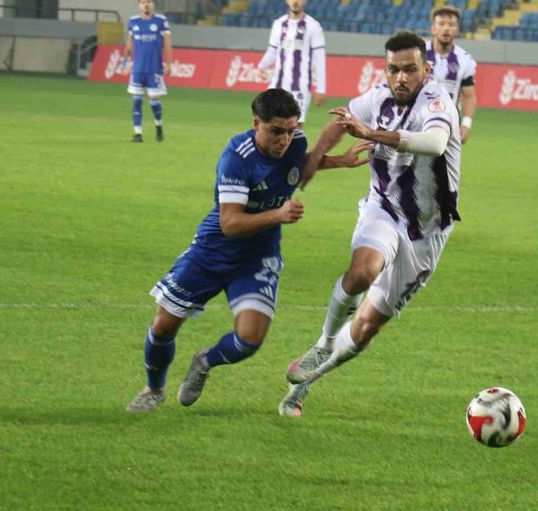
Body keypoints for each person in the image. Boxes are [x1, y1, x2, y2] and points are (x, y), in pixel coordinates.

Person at [126, 89, 370, 412]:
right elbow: (230, 223)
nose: (285, 139)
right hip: (213, 251)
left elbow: (295, 168)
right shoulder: (237, 157)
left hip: (258, 255)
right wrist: (278, 215)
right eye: (276, 131)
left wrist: (341, 161)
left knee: (249, 340)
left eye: (291, 130)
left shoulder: (295, 143)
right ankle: (154, 389)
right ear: (257, 123)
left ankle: (204, 361)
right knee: (164, 326)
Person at [278, 31, 462, 418]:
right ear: (385, 69)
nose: (401, 78)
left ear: (426, 70)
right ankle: (323, 344)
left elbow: (434, 143)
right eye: (393, 70)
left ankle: (306, 383)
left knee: (365, 329)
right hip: (383, 209)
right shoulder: (376, 97)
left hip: (427, 232)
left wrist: (371, 134)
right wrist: (316, 156)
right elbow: (342, 122)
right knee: (363, 271)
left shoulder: (438, 101)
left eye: (410, 70)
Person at [257, 0, 326, 125]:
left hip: (300, 86)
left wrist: (321, 88)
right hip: (277, 84)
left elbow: (320, 59)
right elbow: (273, 50)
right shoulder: (279, 24)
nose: (295, 2)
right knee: (268, 123)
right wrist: (262, 65)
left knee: (295, 126)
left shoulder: (313, 26)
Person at [426, 5, 478, 144]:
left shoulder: (465, 60)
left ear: (457, 30)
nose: (446, 28)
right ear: (433, 29)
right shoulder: (418, 54)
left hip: (450, 125)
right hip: (418, 121)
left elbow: (469, 96)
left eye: (451, 24)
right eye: (441, 23)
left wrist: (466, 125)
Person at [124, 0, 172, 143]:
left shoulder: (161, 21)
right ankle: (138, 134)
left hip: (154, 68)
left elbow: (168, 42)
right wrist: (126, 62)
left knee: (154, 100)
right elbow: (129, 44)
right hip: (138, 69)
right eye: (143, 2)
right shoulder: (133, 21)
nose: (146, 5)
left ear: (153, 4)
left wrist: (168, 63)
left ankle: (158, 124)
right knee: (136, 101)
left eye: (149, 2)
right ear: (139, 5)